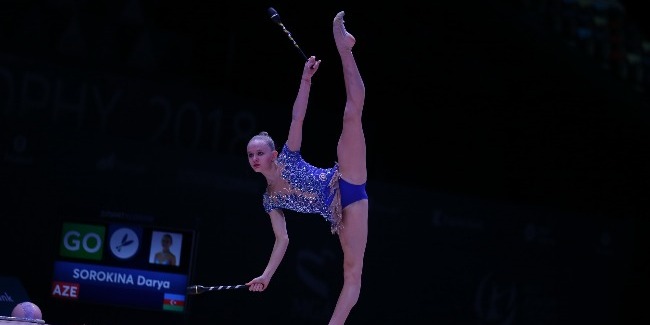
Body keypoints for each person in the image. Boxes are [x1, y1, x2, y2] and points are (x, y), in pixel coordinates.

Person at [245, 10, 368, 325]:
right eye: (250, 155)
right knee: (351, 274)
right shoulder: (269, 200)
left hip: (343, 180)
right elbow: (282, 239)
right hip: (341, 213)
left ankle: (344, 49)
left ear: (272, 155)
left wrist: (305, 79)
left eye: (259, 152)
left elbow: (298, 116)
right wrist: (266, 275)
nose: (254, 158)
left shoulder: (288, 156)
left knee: (351, 115)